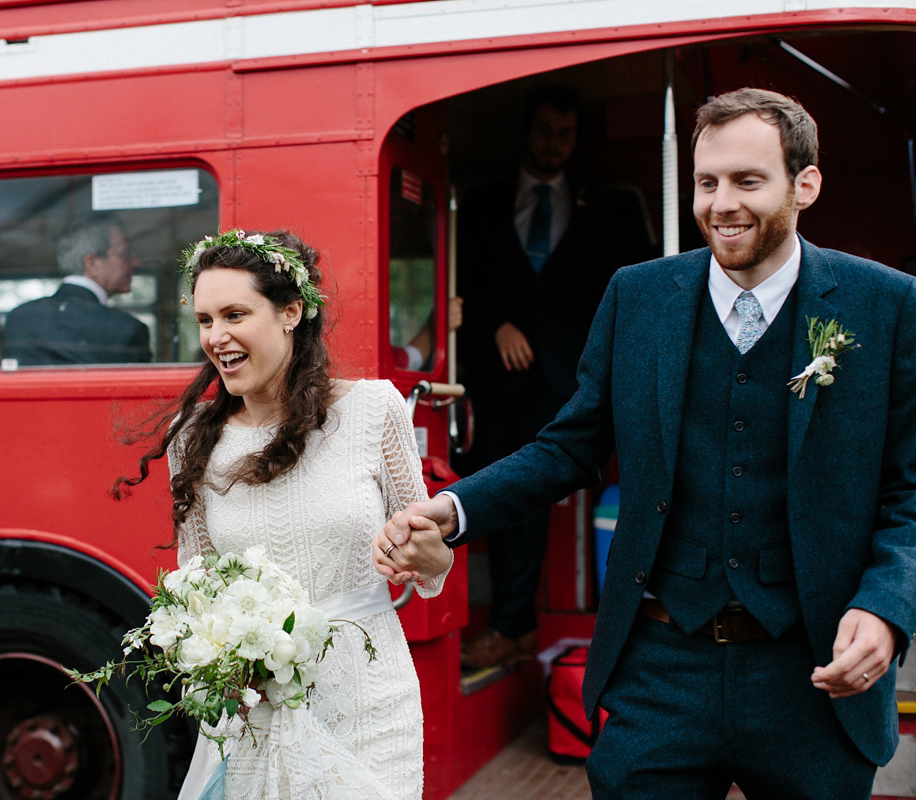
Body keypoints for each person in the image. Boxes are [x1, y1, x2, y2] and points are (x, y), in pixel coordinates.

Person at [377, 88, 916, 798]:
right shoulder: (638, 295)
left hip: (810, 675)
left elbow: (908, 492)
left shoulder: (887, 304)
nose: (722, 203)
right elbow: (568, 447)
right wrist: (453, 512)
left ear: (804, 184)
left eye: (748, 181)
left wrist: (884, 607)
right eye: (706, 182)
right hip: (659, 668)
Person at [114, 229, 453, 800]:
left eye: (234, 314)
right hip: (255, 711)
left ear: (291, 312)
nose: (216, 336)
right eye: (203, 320)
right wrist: (208, 654)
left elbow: (429, 573)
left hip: (369, 698)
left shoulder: (374, 411)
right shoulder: (191, 439)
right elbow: (194, 587)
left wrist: (429, 557)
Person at [455, 86, 649, 668]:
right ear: (525, 132)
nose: (554, 145)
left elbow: (621, 292)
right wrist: (494, 327)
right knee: (476, 488)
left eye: (565, 134)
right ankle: (490, 619)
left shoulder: (603, 208)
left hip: (563, 382)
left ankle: (513, 627)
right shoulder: (480, 204)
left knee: (528, 501)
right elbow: (459, 280)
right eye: (544, 131)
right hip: (493, 380)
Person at [3, 216, 151, 365]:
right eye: (125, 254)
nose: (136, 263)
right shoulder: (125, 329)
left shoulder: (19, 318)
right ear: (92, 264)